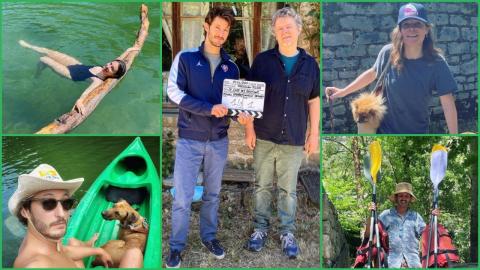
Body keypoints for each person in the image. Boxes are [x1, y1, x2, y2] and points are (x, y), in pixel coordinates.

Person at [239, 7, 320, 259]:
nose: (285, 31)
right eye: (280, 27)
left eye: (289, 27)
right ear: (274, 31)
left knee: (288, 190)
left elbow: (314, 101)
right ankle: (260, 228)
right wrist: (249, 127)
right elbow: (250, 99)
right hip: (263, 135)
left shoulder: (310, 65)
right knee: (262, 186)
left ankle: (287, 232)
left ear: (298, 29)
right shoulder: (262, 61)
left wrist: (313, 133)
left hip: (294, 138)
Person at [165, 6, 239, 268]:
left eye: (226, 29)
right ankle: (176, 248)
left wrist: (244, 115)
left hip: (218, 141)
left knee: (212, 194)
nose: (221, 33)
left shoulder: (232, 68)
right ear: (207, 26)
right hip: (190, 140)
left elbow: (233, 105)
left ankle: (209, 237)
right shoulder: (185, 58)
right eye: (217, 27)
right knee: (183, 198)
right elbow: (173, 93)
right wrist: (208, 108)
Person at [325, 3, 458, 134]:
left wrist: (454, 136)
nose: (412, 29)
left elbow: (448, 105)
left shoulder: (437, 63)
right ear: (400, 30)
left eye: (417, 24)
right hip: (384, 131)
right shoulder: (388, 53)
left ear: (427, 29)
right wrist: (342, 92)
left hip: (417, 131)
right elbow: (372, 73)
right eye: (406, 25)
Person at [8, 164, 143, 268]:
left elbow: (62, 251)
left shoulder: (48, 239)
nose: (62, 214)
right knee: (135, 254)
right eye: (48, 203)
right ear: (25, 211)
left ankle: (89, 244)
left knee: (72, 241)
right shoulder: (36, 265)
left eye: (67, 203)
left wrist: (97, 251)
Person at [366, 182, 440, 268]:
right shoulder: (386, 215)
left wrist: (434, 219)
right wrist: (371, 214)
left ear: (410, 198)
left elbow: (429, 235)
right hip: (390, 263)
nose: (403, 198)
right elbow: (369, 233)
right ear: (396, 198)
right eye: (401, 195)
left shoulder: (416, 216)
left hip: (413, 263)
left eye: (406, 196)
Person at [19, 40, 133, 82]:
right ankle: (29, 46)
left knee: (43, 58)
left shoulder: (98, 80)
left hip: (69, 73)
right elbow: (118, 60)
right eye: (110, 63)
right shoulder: (108, 68)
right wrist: (129, 50)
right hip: (76, 64)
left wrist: (80, 101)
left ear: (113, 75)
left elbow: (88, 92)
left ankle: (38, 73)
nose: (108, 66)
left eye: (111, 68)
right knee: (48, 51)